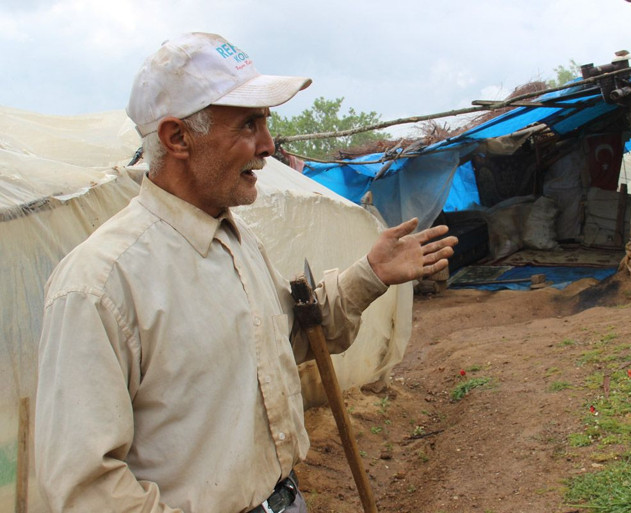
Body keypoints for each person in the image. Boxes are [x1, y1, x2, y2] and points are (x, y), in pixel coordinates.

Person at [34, 32, 457, 513]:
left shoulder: (236, 241)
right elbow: (86, 489)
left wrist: (370, 273)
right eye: (249, 125)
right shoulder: (100, 285)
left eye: (265, 123)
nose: (269, 145)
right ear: (177, 138)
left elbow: (292, 338)